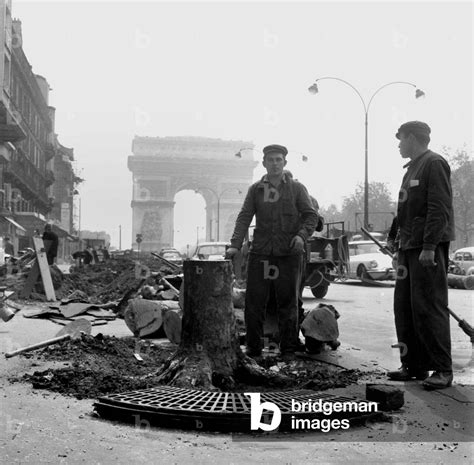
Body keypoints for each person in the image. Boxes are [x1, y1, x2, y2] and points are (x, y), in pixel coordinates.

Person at [226, 144, 318, 358]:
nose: (275, 163)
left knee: (288, 304)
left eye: (279, 159)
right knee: (254, 303)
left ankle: (288, 351)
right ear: (265, 163)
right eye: (271, 160)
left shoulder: (297, 188)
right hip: (261, 254)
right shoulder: (256, 190)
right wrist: (234, 245)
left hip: (288, 254)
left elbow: (310, 216)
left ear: (284, 163)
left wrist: (301, 236)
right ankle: (253, 349)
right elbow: (244, 217)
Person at [388, 121, 455, 390]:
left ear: (414, 139)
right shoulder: (412, 169)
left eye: (401, 139)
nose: (399, 144)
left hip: (427, 248)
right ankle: (413, 365)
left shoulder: (434, 163)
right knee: (404, 308)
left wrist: (429, 246)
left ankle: (442, 369)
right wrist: (395, 244)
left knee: (429, 307)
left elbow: (439, 208)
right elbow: (404, 212)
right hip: (409, 247)